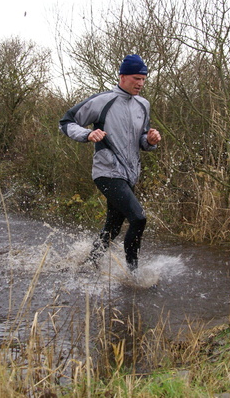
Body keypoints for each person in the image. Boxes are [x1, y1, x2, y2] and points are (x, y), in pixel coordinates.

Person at [59, 54, 162, 271]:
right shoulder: (103, 101)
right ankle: (133, 275)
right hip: (106, 172)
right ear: (122, 76)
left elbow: (142, 139)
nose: (141, 83)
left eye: (144, 79)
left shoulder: (143, 105)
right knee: (138, 218)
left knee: (113, 227)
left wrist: (150, 140)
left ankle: (87, 264)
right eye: (136, 78)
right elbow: (66, 122)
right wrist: (87, 134)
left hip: (129, 174)